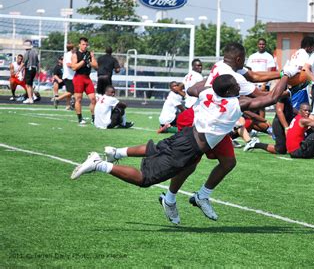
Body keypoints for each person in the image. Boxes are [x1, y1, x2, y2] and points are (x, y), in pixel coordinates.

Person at [70, 72, 294, 225]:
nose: (239, 88)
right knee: (145, 179)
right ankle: (98, 164)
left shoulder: (208, 92)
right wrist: (286, 74)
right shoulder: (237, 104)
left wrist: (210, 78)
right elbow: (272, 97)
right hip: (190, 147)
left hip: (187, 137)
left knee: (159, 152)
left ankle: (121, 157)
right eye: (236, 86)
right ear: (230, 91)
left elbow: (194, 88)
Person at [158, 42, 292, 224]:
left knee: (228, 162)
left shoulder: (221, 65)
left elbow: (253, 75)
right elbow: (265, 97)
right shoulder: (234, 78)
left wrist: (282, 73)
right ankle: (170, 199)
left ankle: (202, 196)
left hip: (217, 120)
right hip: (200, 119)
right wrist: (287, 78)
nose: (245, 63)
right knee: (189, 163)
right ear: (238, 59)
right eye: (243, 59)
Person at [246, 38, 277, 118]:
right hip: (252, 84)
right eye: (260, 44)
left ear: (265, 45)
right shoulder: (252, 56)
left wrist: (264, 83)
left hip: (263, 84)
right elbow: (249, 71)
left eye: (263, 44)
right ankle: (253, 125)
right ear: (257, 45)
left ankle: (262, 124)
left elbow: (269, 72)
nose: (261, 46)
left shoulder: (269, 56)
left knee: (261, 105)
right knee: (250, 104)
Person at [71, 37, 98, 125]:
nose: (85, 46)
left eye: (86, 44)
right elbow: (74, 67)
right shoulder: (75, 54)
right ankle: (80, 118)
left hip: (87, 78)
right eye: (83, 44)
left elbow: (96, 66)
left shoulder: (89, 54)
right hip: (79, 78)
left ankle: (94, 118)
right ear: (79, 45)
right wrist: (83, 61)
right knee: (78, 99)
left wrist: (90, 60)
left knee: (93, 99)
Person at [56, 43, 76, 110]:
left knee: (69, 91)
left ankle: (67, 106)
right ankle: (57, 99)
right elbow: (68, 64)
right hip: (69, 76)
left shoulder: (68, 54)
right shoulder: (69, 55)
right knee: (71, 92)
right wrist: (76, 66)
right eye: (74, 48)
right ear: (72, 48)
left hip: (69, 75)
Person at [22, 40, 39, 104]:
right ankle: (32, 97)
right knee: (30, 84)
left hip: (29, 69)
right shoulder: (35, 52)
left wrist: (19, 70)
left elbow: (24, 62)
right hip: (34, 69)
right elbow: (38, 62)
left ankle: (30, 98)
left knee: (27, 85)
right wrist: (38, 70)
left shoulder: (27, 53)